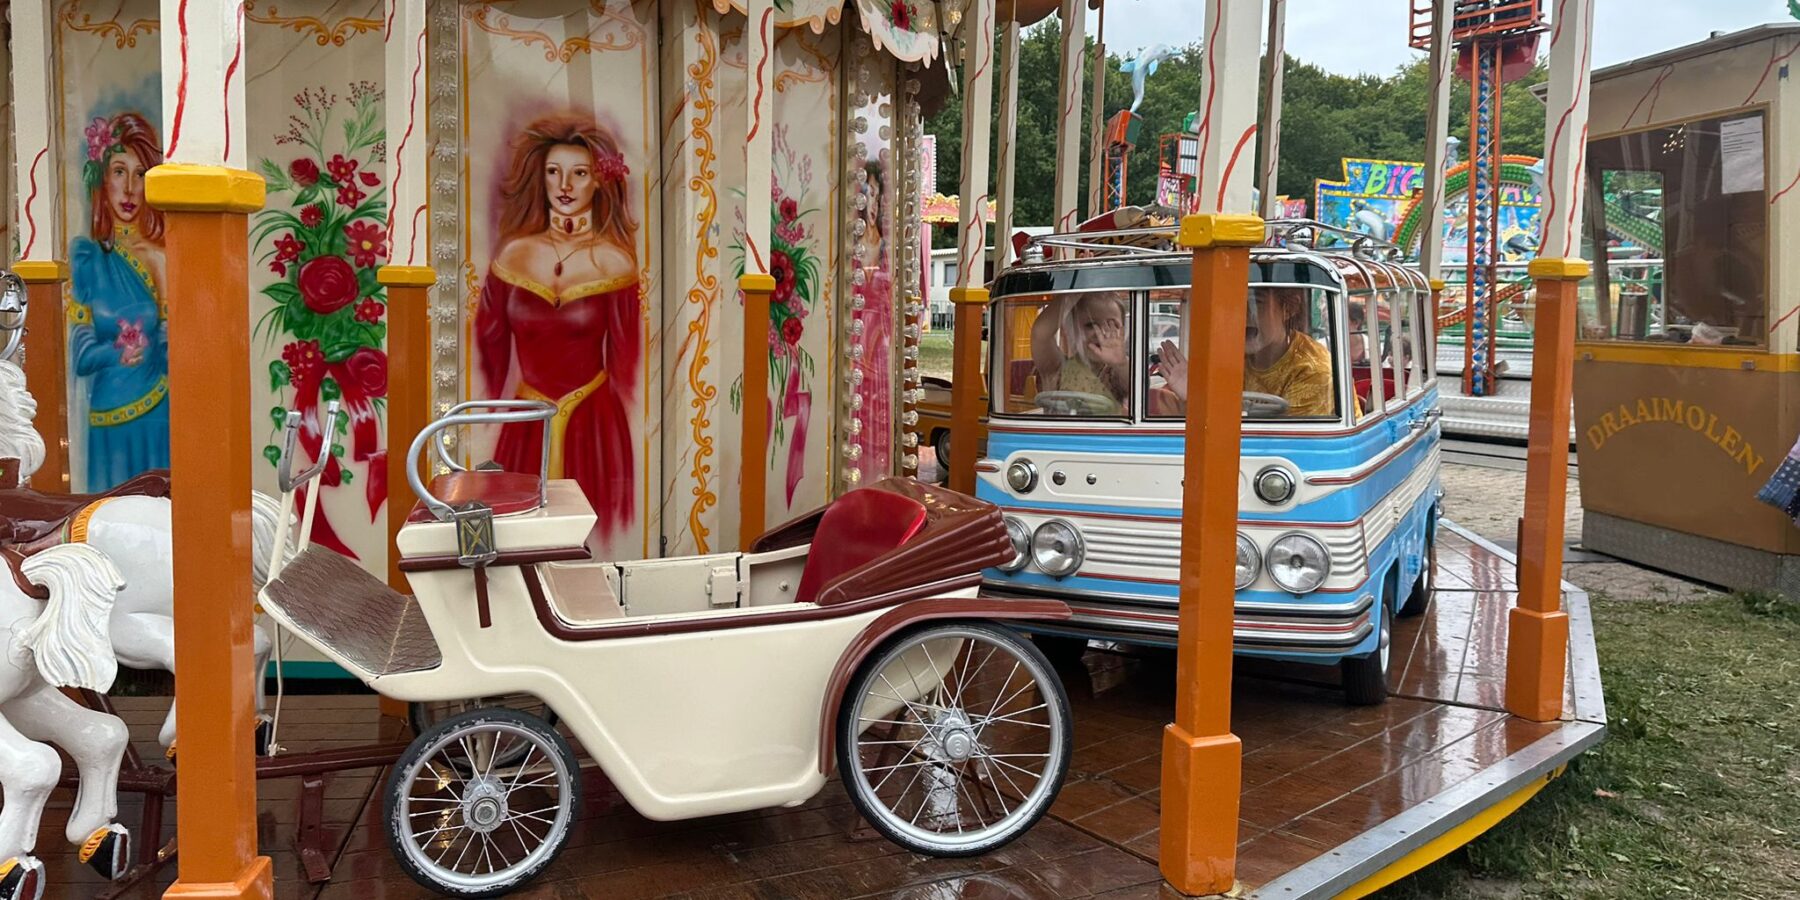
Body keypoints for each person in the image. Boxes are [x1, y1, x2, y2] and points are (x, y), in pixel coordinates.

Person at [476, 114, 640, 540]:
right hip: (526, 423)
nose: (565, 185)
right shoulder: (513, 255)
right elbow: (488, 357)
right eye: (554, 172)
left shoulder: (616, 262)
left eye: (579, 173)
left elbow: (628, 365)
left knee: (594, 542)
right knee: (517, 542)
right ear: (541, 178)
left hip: (596, 426)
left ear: (599, 182)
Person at [69, 111, 170, 491]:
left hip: (160, 414)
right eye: (118, 171)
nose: (129, 188)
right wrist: (117, 354)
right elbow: (80, 356)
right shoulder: (87, 257)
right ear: (102, 179)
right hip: (109, 421)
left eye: (141, 173)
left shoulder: (164, 254)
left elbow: (173, 351)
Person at [1156, 287, 1337, 417]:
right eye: (1232, 304)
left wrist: (1197, 401)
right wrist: (1192, 396)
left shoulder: (1315, 371)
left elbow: (1282, 449)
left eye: (1255, 303)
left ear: (1289, 308)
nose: (1241, 314)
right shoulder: (1228, 356)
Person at [1030, 292, 1131, 414]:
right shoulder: (1057, 368)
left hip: (1105, 433)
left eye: (1111, 325)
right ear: (1073, 329)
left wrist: (1120, 363)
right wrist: (1075, 289)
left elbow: (1137, 389)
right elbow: (1040, 334)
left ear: (1123, 330)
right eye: (1090, 325)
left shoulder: (1116, 372)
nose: (1100, 333)